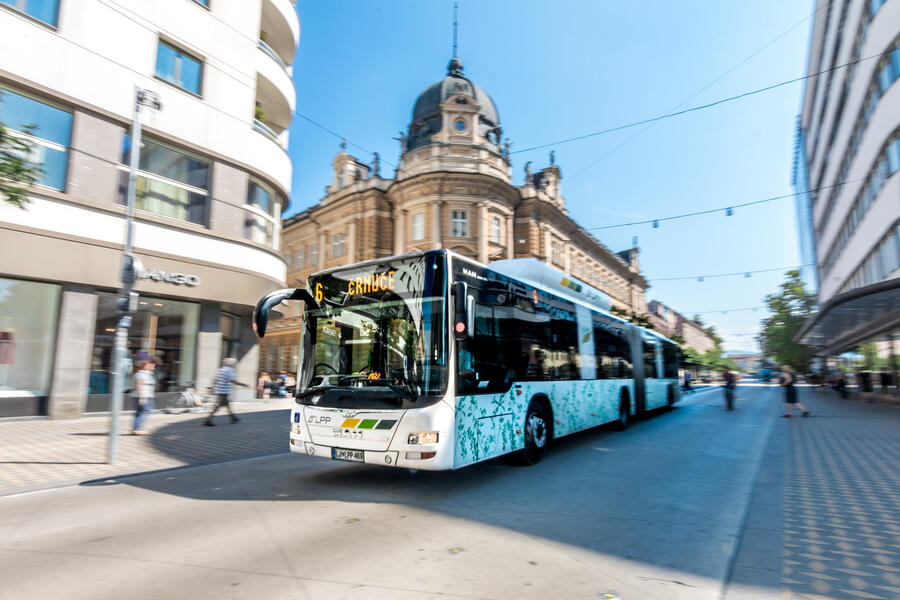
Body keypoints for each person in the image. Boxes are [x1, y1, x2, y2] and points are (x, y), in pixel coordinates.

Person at [205, 357, 247, 426]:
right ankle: (208, 420)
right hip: (224, 391)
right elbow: (232, 380)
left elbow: (214, 380)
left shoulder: (220, 369)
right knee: (217, 407)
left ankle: (233, 418)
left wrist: (211, 387)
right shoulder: (229, 370)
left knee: (227, 405)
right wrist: (242, 384)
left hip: (219, 390)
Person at [132, 359, 156, 435]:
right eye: (151, 365)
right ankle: (138, 429)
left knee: (140, 412)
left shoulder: (147, 374)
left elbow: (149, 385)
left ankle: (136, 428)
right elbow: (139, 385)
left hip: (147, 395)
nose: (153, 367)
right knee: (145, 411)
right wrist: (142, 397)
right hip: (144, 396)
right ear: (145, 366)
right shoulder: (141, 374)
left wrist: (153, 393)